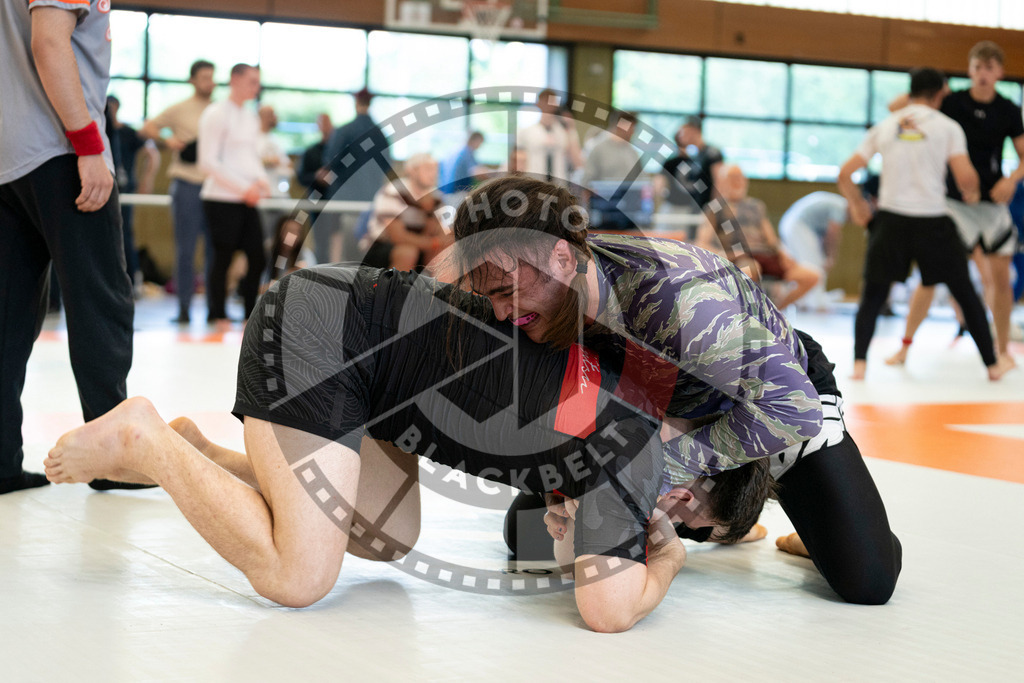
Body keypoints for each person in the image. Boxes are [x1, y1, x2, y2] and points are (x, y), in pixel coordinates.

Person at [44, 264, 773, 633]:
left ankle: (199, 449)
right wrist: (669, 559)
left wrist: (579, 522)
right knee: (299, 575)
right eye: (690, 521)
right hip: (325, 333)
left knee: (389, 536)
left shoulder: (635, 404)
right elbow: (609, 610)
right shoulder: (638, 443)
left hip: (365, 359)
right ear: (688, 491)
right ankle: (148, 443)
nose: (667, 526)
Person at [449, 175, 902, 606]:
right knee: (527, 537)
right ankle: (727, 524)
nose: (502, 313)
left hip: (770, 394)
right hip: (666, 402)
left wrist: (648, 474)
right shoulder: (533, 291)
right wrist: (561, 489)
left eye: (507, 292)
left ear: (563, 260)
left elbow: (793, 409)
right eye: (488, 295)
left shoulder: (678, 302)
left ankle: (805, 520)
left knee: (867, 579)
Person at [0, 0, 135, 494]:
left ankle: (1, 461)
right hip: (60, 152)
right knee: (101, 305)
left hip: (8, 159)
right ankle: (111, 460)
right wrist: (89, 147)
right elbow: (49, 41)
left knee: (8, 317)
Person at [837, 68, 1011, 382]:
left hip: (890, 221)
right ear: (941, 93)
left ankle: (860, 365)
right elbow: (965, 176)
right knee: (966, 293)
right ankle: (992, 365)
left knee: (873, 294)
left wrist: (858, 204)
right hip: (933, 221)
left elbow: (845, 173)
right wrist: (971, 190)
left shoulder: (886, 125)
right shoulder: (949, 127)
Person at [889, 42, 1024, 367]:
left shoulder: (1008, 109)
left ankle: (1002, 351)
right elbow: (896, 108)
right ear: (970, 70)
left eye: (990, 68)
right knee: (930, 276)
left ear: (1000, 73)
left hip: (991, 203)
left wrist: (1012, 180)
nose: (983, 74)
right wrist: (933, 88)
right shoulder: (951, 101)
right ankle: (905, 346)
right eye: (978, 67)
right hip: (953, 202)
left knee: (1000, 280)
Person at [140, 60, 215, 324]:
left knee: (215, 249)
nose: (210, 82)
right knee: (186, 249)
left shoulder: (219, 110)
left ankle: (213, 309)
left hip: (214, 186)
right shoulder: (180, 109)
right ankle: (184, 308)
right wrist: (168, 140)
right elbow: (148, 126)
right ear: (193, 80)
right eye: (204, 77)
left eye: (212, 77)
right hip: (186, 184)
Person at [197, 63, 269, 324]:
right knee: (223, 257)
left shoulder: (250, 116)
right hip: (220, 198)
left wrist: (261, 179)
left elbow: (250, 154)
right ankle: (217, 313)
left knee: (258, 257)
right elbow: (207, 162)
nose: (256, 87)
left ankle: (252, 313)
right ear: (235, 80)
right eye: (251, 81)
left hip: (247, 198)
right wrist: (242, 188)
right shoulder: (215, 113)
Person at [697, 164, 821, 310]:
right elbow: (701, 243)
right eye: (732, 178)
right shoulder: (715, 208)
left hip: (765, 255)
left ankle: (775, 312)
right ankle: (747, 316)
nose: (738, 181)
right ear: (722, 182)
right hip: (741, 256)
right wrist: (726, 255)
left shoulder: (756, 206)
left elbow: (771, 239)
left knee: (812, 276)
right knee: (750, 270)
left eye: (740, 178)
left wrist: (784, 254)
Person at [319, 88, 391, 264]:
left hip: (343, 200)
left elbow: (331, 162)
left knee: (340, 249)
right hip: (371, 200)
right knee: (365, 252)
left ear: (356, 103)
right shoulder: (380, 134)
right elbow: (387, 165)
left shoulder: (344, 131)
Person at [105, 95, 159, 290]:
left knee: (124, 232)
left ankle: (131, 278)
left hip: (124, 188)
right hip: (104, 185)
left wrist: (147, 180)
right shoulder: (102, 131)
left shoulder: (128, 132)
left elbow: (152, 154)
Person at [363, 153, 450, 271]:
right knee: (408, 252)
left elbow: (441, 233)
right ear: (412, 171)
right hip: (381, 246)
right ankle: (394, 289)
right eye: (428, 169)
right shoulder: (393, 191)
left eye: (435, 169)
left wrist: (429, 212)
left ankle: (435, 289)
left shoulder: (436, 197)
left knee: (444, 255)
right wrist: (434, 243)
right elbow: (397, 236)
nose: (433, 174)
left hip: (420, 245)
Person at [653, 115, 723, 234]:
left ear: (694, 131)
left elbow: (719, 183)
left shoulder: (711, 154)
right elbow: (659, 184)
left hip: (701, 209)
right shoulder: (675, 158)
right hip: (675, 207)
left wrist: (714, 210)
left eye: (685, 131)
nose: (683, 135)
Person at [779, 191, 849, 309]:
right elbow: (832, 234)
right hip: (798, 225)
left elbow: (824, 235)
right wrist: (831, 256)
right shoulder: (841, 207)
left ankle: (805, 299)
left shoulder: (836, 203)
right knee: (813, 264)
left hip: (791, 224)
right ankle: (815, 302)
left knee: (805, 263)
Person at [519, 88, 584, 185]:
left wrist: (570, 129)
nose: (549, 105)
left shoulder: (564, 132)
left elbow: (577, 163)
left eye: (552, 101)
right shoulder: (526, 132)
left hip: (559, 185)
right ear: (538, 103)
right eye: (545, 101)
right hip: (534, 183)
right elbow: (519, 163)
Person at [438, 130, 485, 201]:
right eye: (480, 143)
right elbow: (477, 172)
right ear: (476, 141)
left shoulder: (456, 150)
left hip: (444, 192)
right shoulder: (467, 152)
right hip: (456, 194)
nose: (480, 146)